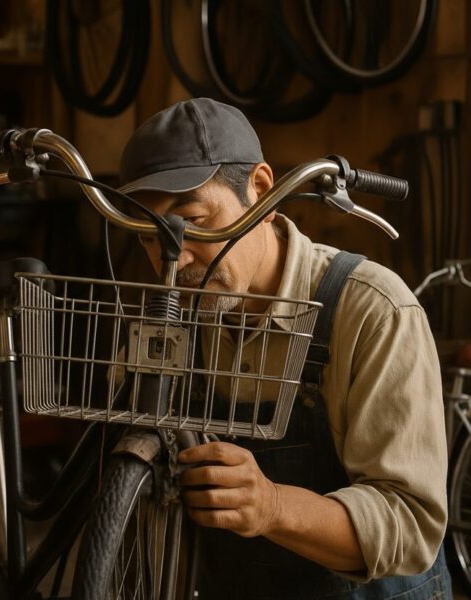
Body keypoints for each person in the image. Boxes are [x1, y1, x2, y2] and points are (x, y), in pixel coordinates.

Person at [119, 97, 450, 598]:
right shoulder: (172, 318)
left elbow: (411, 525)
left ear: (260, 191)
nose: (174, 257)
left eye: (194, 221)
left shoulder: (373, 311)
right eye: (150, 233)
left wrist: (272, 507)